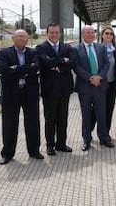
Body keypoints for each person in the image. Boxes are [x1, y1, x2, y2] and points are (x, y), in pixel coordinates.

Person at [0, 29, 43, 164]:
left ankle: (34, 151)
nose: (22, 39)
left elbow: (36, 69)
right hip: (11, 94)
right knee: (9, 124)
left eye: (24, 37)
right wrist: (26, 70)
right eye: (19, 36)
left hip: (30, 93)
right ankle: (7, 154)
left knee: (33, 123)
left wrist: (16, 68)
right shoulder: (4, 53)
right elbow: (4, 71)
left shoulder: (33, 52)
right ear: (13, 38)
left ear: (27, 39)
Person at [36, 23, 77, 156]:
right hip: (49, 89)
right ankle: (50, 145)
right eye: (52, 32)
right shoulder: (41, 48)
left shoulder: (67, 47)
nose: (54, 35)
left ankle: (61, 143)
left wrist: (56, 65)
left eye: (57, 32)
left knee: (63, 117)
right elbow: (44, 63)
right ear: (47, 33)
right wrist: (62, 60)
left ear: (60, 33)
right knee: (50, 118)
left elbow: (72, 63)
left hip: (65, 89)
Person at [74, 25, 114, 151]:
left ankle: (104, 138)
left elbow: (106, 64)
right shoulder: (76, 49)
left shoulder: (101, 47)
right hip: (85, 87)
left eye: (92, 33)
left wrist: (99, 77)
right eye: (88, 33)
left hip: (100, 86)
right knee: (86, 115)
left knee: (101, 113)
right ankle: (86, 139)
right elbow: (76, 67)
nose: (90, 35)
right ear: (83, 35)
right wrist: (91, 78)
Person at [100, 26, 116, 135]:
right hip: (99, 85)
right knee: (97, 110)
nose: (109, 36)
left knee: (109, 109)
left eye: (111, 34)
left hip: (112, 84)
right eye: (106, 33)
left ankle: (105, 133)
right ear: (102, 36)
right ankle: (89, 133)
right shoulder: (97, 49)